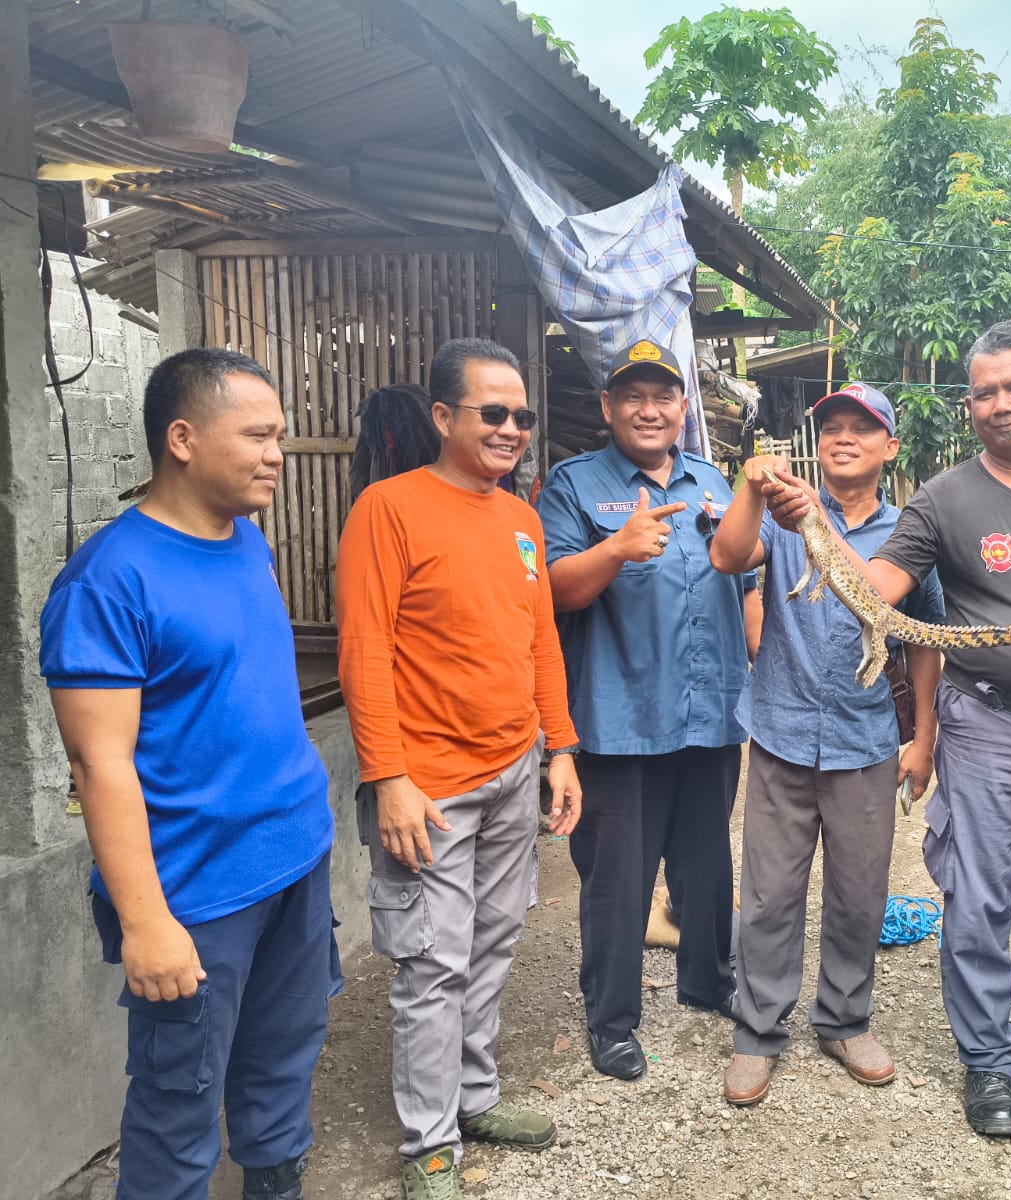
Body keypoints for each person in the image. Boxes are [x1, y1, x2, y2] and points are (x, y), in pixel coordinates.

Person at [764, 318, 1011, 1138]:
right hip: (988, 726)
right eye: (983, 392)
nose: (999, 404)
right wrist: (812, 523)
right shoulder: (944, 498)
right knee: (977, 904)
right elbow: (875, 589)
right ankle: (988, 1061)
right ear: (968, 404)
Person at [39, 348, 338, 1200]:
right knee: (179, 1110)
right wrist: (145, 923)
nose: (277, 453)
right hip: (197, 897)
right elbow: (99, 765)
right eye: (258, 435)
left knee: (282, 1072)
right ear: (182, 438)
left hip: (295, 861)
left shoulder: (247, 540)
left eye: (277, 435)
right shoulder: (109, 581)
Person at [336, 337, 581, 1200]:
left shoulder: (521, 517)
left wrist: (559, 748)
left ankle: (474, 1099)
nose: (512, 428)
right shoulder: (387, 509)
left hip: (515, 767)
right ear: (444, 417)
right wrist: (388, 776)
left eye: (522, 415)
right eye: (493, 413)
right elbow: (364, 654)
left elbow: (539, 639)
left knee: (495, 939)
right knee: (431, 963)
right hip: (429, 786)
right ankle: (429, 1144)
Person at [708, 383, 945, 1106]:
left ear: (889, 448)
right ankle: (757, 1032)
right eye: (832, 428)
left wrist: (925, 738)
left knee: (858, 896)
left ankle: (845, 1021)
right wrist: (752, 486)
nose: (845, 438)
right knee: (772, 895)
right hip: (781, 734)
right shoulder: (781, 517)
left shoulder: (910, 533)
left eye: (863, 430)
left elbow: (924, 642)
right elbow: (727, 556)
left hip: (866, 740)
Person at [536, 339, 760, 1082]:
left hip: (709, 712)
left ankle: (707, 979)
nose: (648, 408)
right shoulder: (574, 484)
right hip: (618, 718)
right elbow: (554, 592)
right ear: (608, 408)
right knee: (616, 879)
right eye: (632, 395)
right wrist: (616, 549)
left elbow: (743, 575)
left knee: (705, 864)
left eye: (663, 395)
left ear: (683, 406)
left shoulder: (712, 481)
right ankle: (613, 1019)